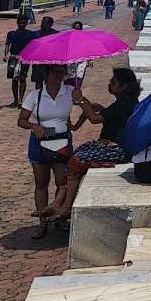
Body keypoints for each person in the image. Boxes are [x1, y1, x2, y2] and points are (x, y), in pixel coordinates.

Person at [33, 68, 141, 221]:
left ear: (123, 87)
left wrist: (81, 100)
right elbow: (111, 117)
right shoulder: (122, 103)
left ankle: (66, 207)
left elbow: (95, 119)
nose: (109, 84)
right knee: (73, 156)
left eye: (113, 82)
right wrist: (88, 112)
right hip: (107, 144)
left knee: (78, 161)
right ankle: (58, 203)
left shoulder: (125, 104)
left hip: (117, 149)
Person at [18, 64, 92, 238]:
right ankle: (42, 222)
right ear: (46, 74)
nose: (58, 76)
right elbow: (21, 120)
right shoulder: (35, 95)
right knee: (41, 183)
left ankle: (59, 217)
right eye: (54, 72)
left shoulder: (70, 92)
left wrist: (79, 104)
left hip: (61, 140)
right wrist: (33, 125)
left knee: (62, 181)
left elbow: (90, 111)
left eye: (61, 72)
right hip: (40, 141)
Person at [2, 17, 35, 108]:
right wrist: (5, 54)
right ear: (17, 23)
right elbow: (7, 44)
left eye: (24, 23)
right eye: (20, 23)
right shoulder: (11, 34)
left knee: (23, 78)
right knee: (14, 79)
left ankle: (21, 100)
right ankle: (15, 100)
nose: (22, 25)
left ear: (26, 23)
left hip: (25, 59)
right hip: (13, 58)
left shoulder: (30, 34)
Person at [30, 16, 59, 92]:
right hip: (38, 61)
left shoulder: (55, 34)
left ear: (50, 24)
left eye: (45, 22)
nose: (42, 24)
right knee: (38, 82)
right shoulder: (36, 34)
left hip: (50, 61)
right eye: (42, 22)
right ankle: (38, 97)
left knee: (50, 81)